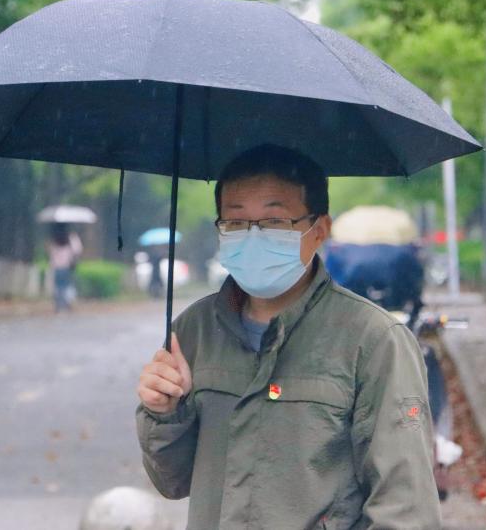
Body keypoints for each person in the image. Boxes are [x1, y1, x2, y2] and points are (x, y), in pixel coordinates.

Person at [135, 144, 441, 529]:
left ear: (319, 230)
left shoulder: (374, 340)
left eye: (274, 222)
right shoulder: (193, 331)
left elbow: (405, 507)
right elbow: (173, 481)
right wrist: (164, 414)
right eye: (236, 223)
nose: (253, 236)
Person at [47, 223, 82, 313]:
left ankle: (58, 306)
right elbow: (78, 250)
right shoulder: (70, 237)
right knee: (66, 286)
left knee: (58, 287)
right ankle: (66, 305)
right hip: (67, 267)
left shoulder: (54, 239)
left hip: (57, 267)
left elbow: (51, 253)